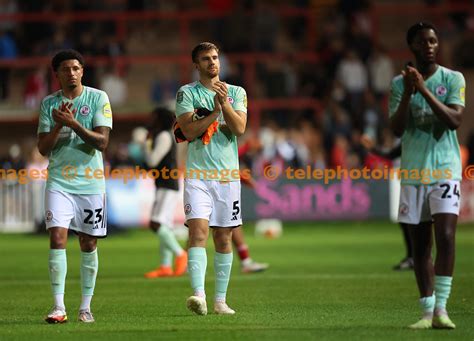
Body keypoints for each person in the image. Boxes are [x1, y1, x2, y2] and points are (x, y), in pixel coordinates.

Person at [389, 23, 465, 330]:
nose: (430, 45)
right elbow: (395, 129)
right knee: (421, 246)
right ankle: (426, 310)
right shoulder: (398, 84)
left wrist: (422, 89)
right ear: (413, 47)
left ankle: (442, 309)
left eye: (434, 40)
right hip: (413, 172)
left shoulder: (452, 78)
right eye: (423, 42)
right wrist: (408, 92)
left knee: (445, 237)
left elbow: (454, 120)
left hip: (445, 168)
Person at [37, 49, 113, 324]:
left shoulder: (97, 98)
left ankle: (85, 307)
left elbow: (102, 142)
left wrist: (73, 123)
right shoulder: (49, 104)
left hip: (91, 184)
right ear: (56, 73)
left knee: (88, 242)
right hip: (59, 181)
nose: (71, 72)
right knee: (57, 238)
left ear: (82, 71)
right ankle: (58, 307)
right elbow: (43, 148)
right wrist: (58, 126)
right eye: (65, 69)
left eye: (76, 68)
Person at [175, 42, 247, 315]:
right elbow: (189, 131)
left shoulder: (237, 92)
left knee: (224, 238)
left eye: (215, 57)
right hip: (198, 177)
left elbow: (239, 128)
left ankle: (220, 301)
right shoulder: (187, 93)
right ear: (197, 65)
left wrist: (223, 104)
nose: (212, 62)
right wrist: (216, 113)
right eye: (205, 59)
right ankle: (198, 296)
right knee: (198, 233)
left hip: (227, 178)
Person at [143, 107, 188, 278]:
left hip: (167, 185)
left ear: (159, 119)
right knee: (165, 226)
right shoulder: (165, 135)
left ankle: (180, 254)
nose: (150, 119)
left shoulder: (162, 136)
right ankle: (165, 266)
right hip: (167, 184)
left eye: (153, 117)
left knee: (156, 223)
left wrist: (146, 144)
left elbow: (153, 160)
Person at [360, 134, 413, 271]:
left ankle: (418, 257)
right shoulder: (408, 136)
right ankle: (413, 256)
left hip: (418, 181)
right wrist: (373, 148)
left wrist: (373, 148)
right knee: (406, 221)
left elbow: (391, 154)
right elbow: (391, 154)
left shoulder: (414, 135)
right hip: (407, 179)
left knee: (413, 221)